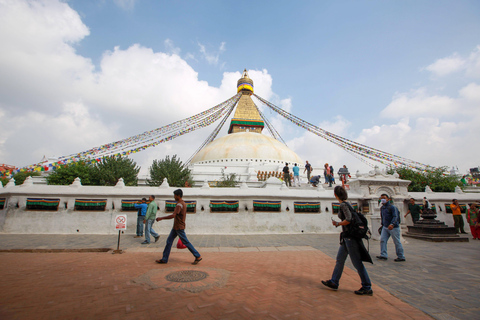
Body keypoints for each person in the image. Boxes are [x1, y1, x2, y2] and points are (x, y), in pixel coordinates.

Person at [322, 186, 373, 296]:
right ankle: (334, 281)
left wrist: (338, 223)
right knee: (340, 259)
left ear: (336, 195)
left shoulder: (343, 205)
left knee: (357, 263)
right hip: (346, 237)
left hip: (351, 237)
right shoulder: (348, 203)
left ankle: (367, 286)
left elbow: (349, 219)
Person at [155, 189, 202, 265]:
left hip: (179, 227)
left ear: (178, 195)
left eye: (175, 195)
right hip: (176, 227)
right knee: (169, 241)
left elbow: (173, 215)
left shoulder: (179, 205)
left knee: (185, 242)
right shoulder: (182, 203)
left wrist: (161, 218)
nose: (174, 197)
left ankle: (197, 256)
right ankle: (164, 259)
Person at [377, 194, 405, 262]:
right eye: (381, 198)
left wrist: (392, 224)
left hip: (393, 227)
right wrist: (382, 224)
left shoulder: (392, 207)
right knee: (383, 240)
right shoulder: (382, 208)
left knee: (397, 242)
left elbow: (395, 216)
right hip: (385, 227)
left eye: (384, 198)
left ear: (388, 199)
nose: (382, 199)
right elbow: (382, 217)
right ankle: (383, 255)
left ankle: (401, 256)